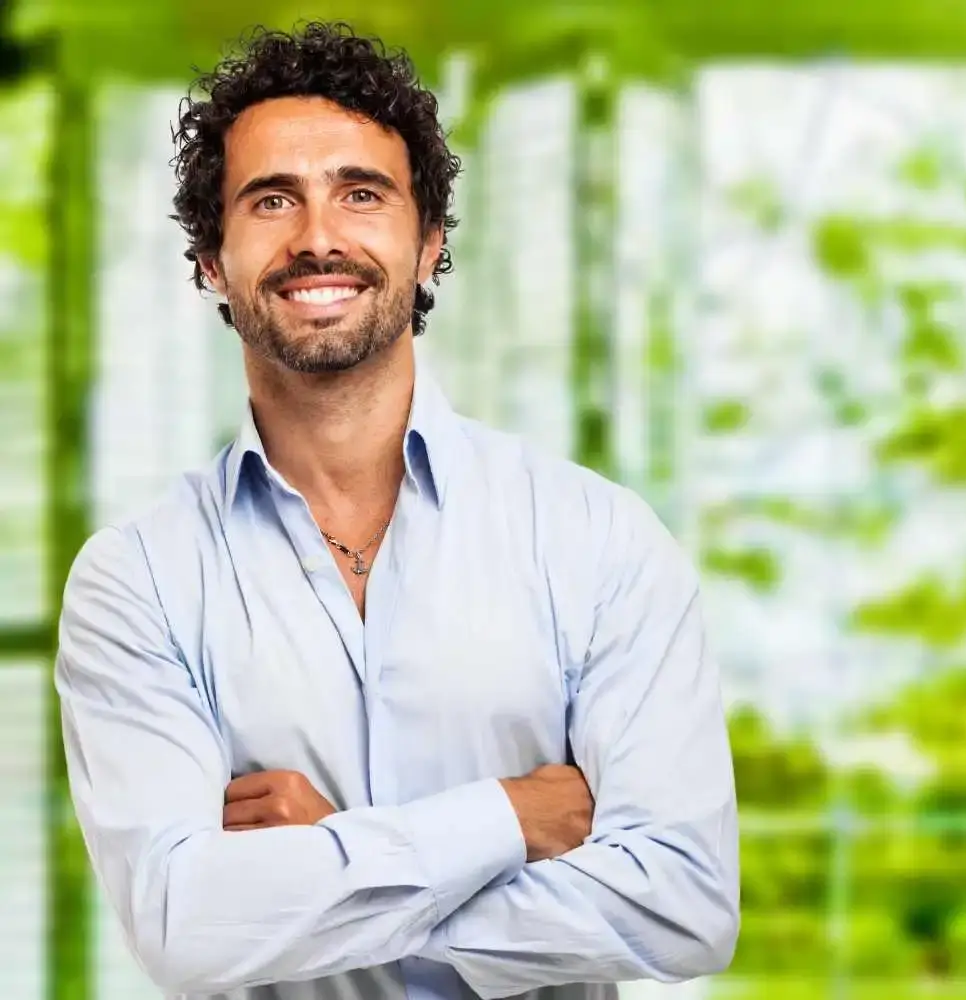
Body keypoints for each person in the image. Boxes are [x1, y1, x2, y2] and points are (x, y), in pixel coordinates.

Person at [55, 20, 740, 1000]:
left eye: (360, 193)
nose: (318, 236)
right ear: (211, 260)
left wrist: (323, 863)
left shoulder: (597, 539)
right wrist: (508, 816)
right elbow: (185, 926)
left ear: (428, 247)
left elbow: (685, 904)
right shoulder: (138, 578)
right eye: (271, 199)